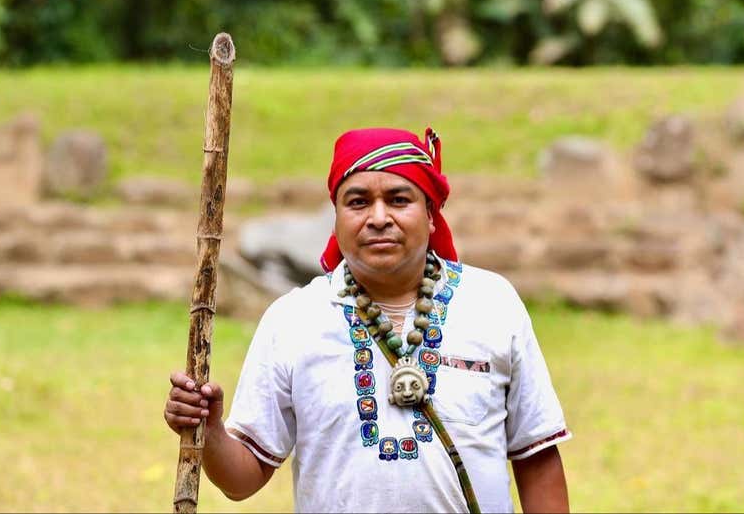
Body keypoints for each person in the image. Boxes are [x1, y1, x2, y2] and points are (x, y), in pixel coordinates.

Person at [165, 127, 572, 513]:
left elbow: (535, 455)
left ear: (430, 214)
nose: (378, 217)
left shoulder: (492, 304)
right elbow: (243, 478)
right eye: (358, 202)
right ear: (336, 217)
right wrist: (209, 430)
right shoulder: (293, 320)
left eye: (399, 200)